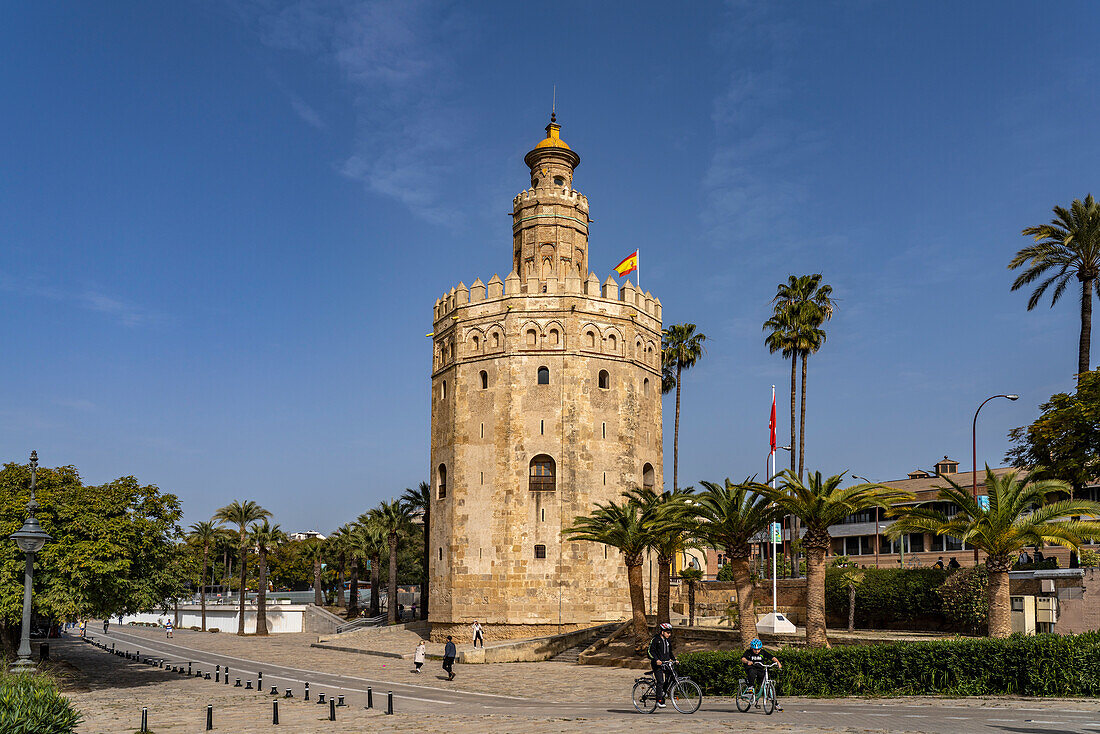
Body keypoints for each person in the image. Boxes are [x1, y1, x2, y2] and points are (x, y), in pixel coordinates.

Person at [741, 638, 783, 712]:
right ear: (752, 648)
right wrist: (747, 661)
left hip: (760, 669)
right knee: (752, 672)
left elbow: (772, 657)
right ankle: (750, 687)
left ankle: (775, 703)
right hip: (751, 667)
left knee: (766, 685)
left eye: (758, 649)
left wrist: (778, 663)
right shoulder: (748, 652)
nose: (757, 651)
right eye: (755, 649)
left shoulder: (763, 652)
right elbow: (743, 658)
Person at [647, 622, 676, 708]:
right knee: (660, 681)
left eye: (670, 633)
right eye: (668, 632)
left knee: (672, 675)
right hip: (657, 664)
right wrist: (656, 660)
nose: (669, 634)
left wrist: (674, 659)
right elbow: (650, 651)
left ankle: (663, 691)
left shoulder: (667, 640)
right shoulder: (655, 639)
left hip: (665, 663)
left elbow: (670, 652)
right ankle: (659, 701)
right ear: (662, 632)